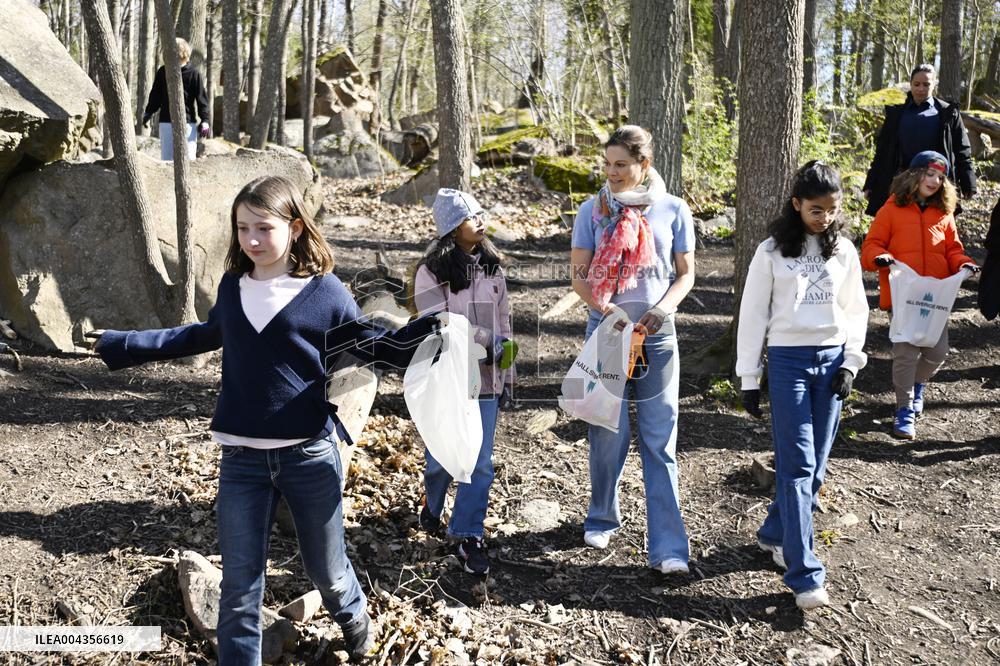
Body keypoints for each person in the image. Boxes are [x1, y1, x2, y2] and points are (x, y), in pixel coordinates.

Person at [90, 176, 443, 664]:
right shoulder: (233, 287)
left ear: (295, 227)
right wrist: (123, 344)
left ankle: (356, 622)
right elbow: (199, 336)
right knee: (239, 586)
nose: (252, 240)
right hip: (241, 463)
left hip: (308, 457)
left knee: (327, 570)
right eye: (242, 228)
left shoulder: (325, 293)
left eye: (264, 227)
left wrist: (432, 334)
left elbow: (371, 346)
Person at [736, 161, 869, 611]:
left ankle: (775, 534)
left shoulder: (845, 251)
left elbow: (856, 311)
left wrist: (851, 363)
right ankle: (804, 571)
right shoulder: (771, 251)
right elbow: (753, 315)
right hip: (789, 364)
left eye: (832, 209)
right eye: (815, 209)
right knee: (795, 466)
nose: (825, 217)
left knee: (815, 469)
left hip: (832, 364)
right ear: (796, 205)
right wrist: (749, 377)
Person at [569, 125, 695, 575]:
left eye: (622, 164)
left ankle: (668, 546)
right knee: (607, 432)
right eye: (607, 164)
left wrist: (662, 310)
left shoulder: (674, 210)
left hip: (657, 337)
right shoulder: (592, 210)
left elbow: (685, 275)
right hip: (606, 332)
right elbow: (579, 275)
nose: (612, 172)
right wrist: (605, 309)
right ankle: (602, 514)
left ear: (645, 165)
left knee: (660, 440)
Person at [411, 188, 517, 576]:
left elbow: (505, 322)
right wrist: (488, 342)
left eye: (480, 212)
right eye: (472, 215)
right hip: (451, 374)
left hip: (486, 376)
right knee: (442, 456)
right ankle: (432, 505)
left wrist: (507, 374)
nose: (481, 220)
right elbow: (440, 324)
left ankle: (467, 534)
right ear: (453, 227)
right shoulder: (432, 272)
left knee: (480, 461)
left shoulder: (493, 269)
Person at [861, 151, 979, 440]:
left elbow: (952, 248)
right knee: (905, 353)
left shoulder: (944, 213)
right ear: (914, 175)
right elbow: (871, 247)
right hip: (903, 295)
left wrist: (961, 262)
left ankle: (915, 385)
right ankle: (904, 410)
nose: (935, 181)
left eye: (940, 177)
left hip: (935, 298)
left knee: (937, 353)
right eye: (929, 174)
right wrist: (881, 258)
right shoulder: (890, 209)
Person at [863, 63, 976, 217]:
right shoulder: (897, 114)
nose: (921, 89)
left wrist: (968, 182)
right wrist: (871, 183)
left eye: (926, 84)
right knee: (900, 224)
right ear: (910, 84)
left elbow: (962, 149)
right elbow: (882, 151)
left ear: (934, 85)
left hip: (935, 182)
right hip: (901, 181)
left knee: (933, 223)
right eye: (916, 84)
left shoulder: (947, 113)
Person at [142, 38, 211, 161]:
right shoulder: (163, 72)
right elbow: (155, 96)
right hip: (166, 122)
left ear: (182, 52)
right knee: (167, 160)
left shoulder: (194, 74)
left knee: (189, 160)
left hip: (188, 123)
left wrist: (205, 120)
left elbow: (202, 99)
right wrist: (149, 112)